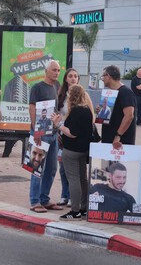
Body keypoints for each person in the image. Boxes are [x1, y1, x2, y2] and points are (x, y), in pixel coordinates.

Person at [52, 84, 93, 221]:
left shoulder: (75, 111)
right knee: (82, 179)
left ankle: (75, 210)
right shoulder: (87, 110)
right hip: (84, 149)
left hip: (72, 150)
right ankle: (84, 208)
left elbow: (72, 133)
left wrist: (58, 125)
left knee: (73, 179)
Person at [29, 60, 63, 213]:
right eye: (54, 70)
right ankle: (35, 201)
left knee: (51, 168)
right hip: (40, 134)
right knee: (37, 168)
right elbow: (32, 108)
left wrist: (58, 126)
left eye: (58, 70)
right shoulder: (37, 88)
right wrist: (35, 131)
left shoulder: (57, 86)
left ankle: (45, 198)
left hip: (53, 133)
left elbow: (57, 109)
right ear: (46, 71)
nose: (57, 72)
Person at [100, 65, 136, 148]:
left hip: (120, 143)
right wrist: (101, 112)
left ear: (108, 76)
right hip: (109, 140)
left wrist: (118, 135)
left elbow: (129, 115)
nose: (102, 79)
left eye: (103, 76)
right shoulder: (111, 93)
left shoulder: (125, 92)